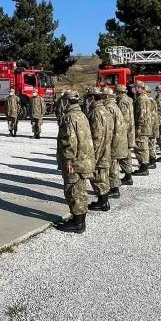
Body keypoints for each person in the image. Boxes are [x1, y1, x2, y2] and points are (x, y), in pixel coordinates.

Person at [56, 90, 95, 234]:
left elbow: (69, 141)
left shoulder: (69, 117)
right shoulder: (82, 115)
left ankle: (78, 223)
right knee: (80, 190)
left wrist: (68, 161)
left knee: (72, 191)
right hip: (84, 159)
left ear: (66, 101)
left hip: (75, 161)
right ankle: (79, 220)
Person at [86, 87, 112, 212]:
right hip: (106, 146)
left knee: (98, 175)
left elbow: (96, 135)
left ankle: (103, 202)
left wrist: (93, 154)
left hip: (99, 148)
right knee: (103, 174)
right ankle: (103, 200)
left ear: (92, 97)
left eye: (88, 98)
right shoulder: (105, 110)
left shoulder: (96, 112)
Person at [103, 86, 128, 198]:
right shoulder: (114, 106)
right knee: (114, 164)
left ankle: (114, 189)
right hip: (119, 139)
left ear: (106, 96)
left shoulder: (108, 107)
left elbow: (109, 127)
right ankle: (114, 186)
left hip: (114, 141)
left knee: (112, 166)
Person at [132, 82, 155, 176]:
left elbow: (142, 113)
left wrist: (139, 127)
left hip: (142, 127)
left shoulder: (141, 98)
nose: (134, 89)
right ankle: (144, 166)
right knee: (143, 146)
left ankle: (144, 167)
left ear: (140, 87)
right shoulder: (145, 97)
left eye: (135, 87)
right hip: (146, 126)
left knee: (140, 147)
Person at [115, 83, 135, 185]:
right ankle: (128, 175)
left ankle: (128, 176)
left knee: (124, 154)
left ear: (119, 92)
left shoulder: (122, 101)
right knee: (127, 154)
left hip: (125, 131)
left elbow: (124, 118)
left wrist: (121, 132)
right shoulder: (129, 99)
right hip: (129, 130)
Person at [145, 85, 159, 169]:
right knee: (151, 143)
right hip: (152, 124)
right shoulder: (151, 100)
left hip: (151, 125)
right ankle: (152, 160)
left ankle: (152, 161)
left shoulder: (149, 101)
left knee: (151, 144)